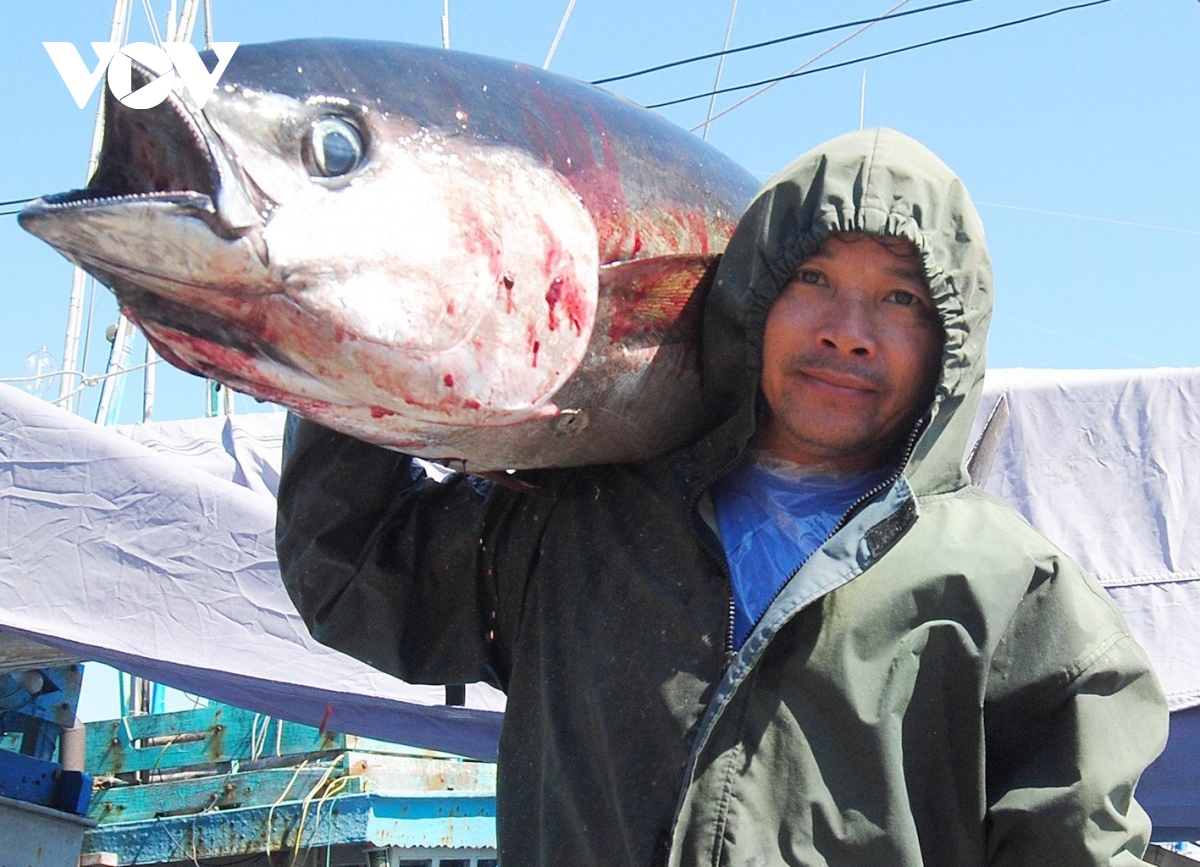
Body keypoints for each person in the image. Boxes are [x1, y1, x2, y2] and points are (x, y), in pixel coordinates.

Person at [276, 128, 1169, 866]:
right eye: (813, 279)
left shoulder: (1013, 595)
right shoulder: (586, 522)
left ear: (948, 341)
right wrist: (347, 325)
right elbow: (354, 571)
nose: (847, 333)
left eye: (899, 298)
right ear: (751, 300)